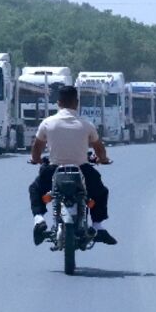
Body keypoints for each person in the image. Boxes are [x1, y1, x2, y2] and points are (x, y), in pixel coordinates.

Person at [28, 84, 117, 246]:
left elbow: (37, 149)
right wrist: (102, 159)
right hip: (82, 169)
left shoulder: (47, 123)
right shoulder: (86, 124)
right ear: (76, 103)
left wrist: (36, 159)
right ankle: (98, 226)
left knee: (35, 189)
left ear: (59, 103)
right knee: (100, 192)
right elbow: (100, 149)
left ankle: (39, 219)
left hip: (54, 169)